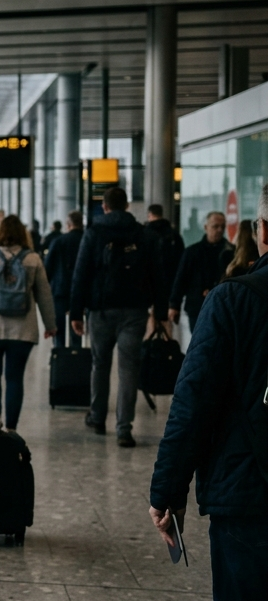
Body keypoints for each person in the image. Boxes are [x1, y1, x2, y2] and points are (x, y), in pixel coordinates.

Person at [149, 183, 268, 601]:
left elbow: (193, 403)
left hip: (250, 495)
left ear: (262, 231)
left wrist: (167, 492)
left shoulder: (235, 300)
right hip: (247, 493)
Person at [69, 187, 170, 448]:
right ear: (126, 206)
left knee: (99, 364)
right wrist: (159, 313)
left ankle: (98, 417)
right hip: (135, 312)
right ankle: (124, 429)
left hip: (101, 310)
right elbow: (159, 276)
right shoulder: (144, 234)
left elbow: (81, 274)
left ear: (105, 207)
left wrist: (77, 312)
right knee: (128, 370)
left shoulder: (93, 233)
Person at [0, 215, 56, 431]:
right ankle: (12, 426)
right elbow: (44, 294)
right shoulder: (32, 258)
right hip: (23, 329)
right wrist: (50, 324)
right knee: (15, 378)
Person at [169, 211, 229, 332]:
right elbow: (181, 279)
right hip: (197, 306)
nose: (219, 230)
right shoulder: (192, 252)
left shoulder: (229, 252)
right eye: (215, 226)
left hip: (223, 307)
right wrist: (174, 305)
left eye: (222, 227)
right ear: (206, 227)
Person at [45, 210, 84, 348]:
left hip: (60, 289)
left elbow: (48, 267)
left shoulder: (59, 241)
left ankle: (60, 356)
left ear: (68, 224)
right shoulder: (87, 239)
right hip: (82, 291)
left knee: (59, 327)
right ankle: (76, 355)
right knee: (78, 327)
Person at [146, 203, 186, 311]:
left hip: (148, 283)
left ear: (150, 215)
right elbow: (181, 260)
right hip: (169, 282)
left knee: (149, 316)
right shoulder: (173, 234)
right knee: (165, 316)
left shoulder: (144, 233)